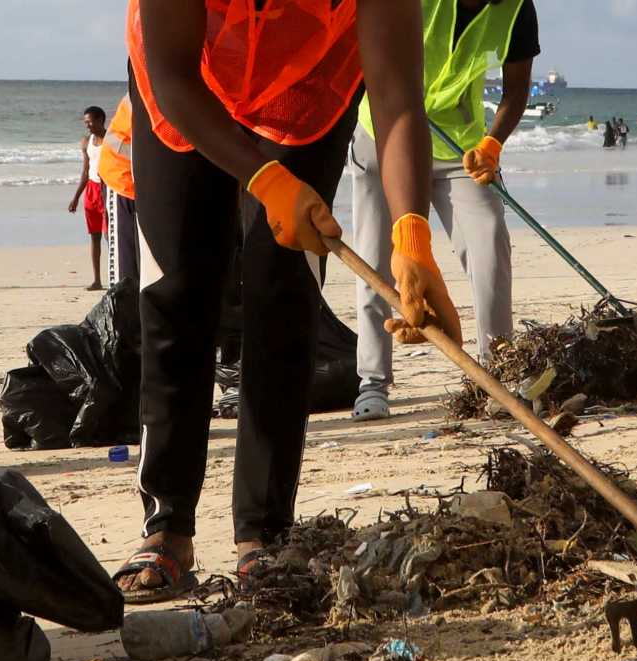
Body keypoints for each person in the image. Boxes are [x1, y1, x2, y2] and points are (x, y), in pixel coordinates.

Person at [112, 0, 463, 603]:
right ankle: (168, 524)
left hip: (309, 92)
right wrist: (265, 178)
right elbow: (171, 77)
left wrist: (411, 233)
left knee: (285, 292)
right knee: (179, 292)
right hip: (186, 85)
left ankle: (264, 532)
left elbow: (398, 99)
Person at [350, 0, 539, 422]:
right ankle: (373, 382)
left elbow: (517, 89)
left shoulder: (518, 10)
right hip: (384, 135)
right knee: (376, 259)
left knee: (490, 240)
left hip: (459, 148)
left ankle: (496, 373)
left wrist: (492, 145)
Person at [97, 94, 139, 284]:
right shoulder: (145, 88)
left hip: (147, 183)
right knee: (125, 255)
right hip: (122, 179)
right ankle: (122, 307)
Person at [68, 106, 108, 291]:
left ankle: (118, 277)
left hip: (107, 189)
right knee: (95, 236)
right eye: (86, 122)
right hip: (91, 191)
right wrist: (76, 197)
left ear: (101, 119)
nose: (88, 126)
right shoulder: (86, 142)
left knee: (111, 237)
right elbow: (85, 171)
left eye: (90, 122)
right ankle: (97, 280)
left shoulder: (111, 140)